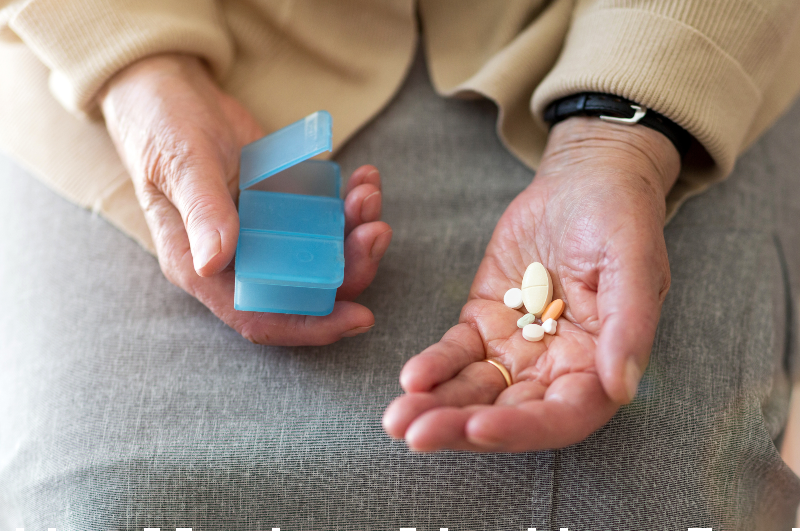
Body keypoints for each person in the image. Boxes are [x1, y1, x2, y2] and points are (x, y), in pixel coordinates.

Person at [1, 0, 800, 528]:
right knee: (107, 498)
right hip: (172, 33)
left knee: (651, 495)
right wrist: (134, 66)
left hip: (637, 38)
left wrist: (618, 135)